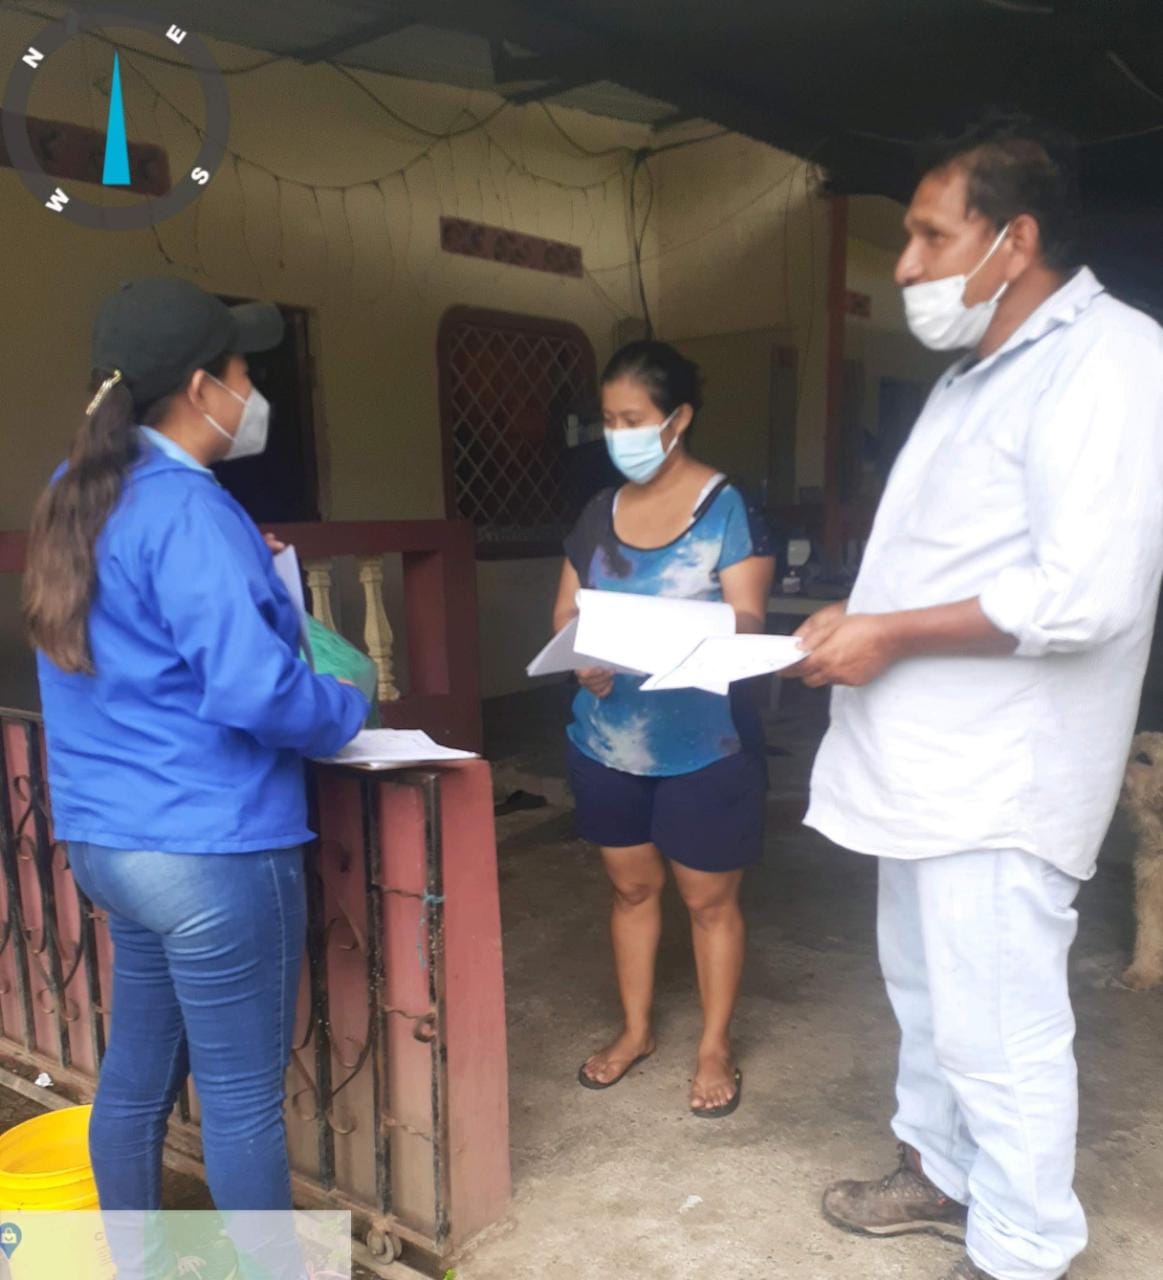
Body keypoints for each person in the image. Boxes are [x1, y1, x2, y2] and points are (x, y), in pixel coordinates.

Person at [792, 117, 1163, 1280]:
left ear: (1015, 239)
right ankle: (941, 1173)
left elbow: (1082, 592)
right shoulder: (974, 378)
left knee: (999, 1024)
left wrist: (889, 630)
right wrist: (851, 614)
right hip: (924, 765)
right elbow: (945, 555)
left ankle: (1020, 1247)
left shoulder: (1110, 359)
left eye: (927, 235)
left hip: (1001, 776)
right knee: (927, 997)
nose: (904, 263)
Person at [23, 278, 369, 1278]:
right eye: (244, 371)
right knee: (242, 1100)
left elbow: (145, 634)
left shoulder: (75, 490)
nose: (252, 391)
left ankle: (137, 1264)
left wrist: (246, 572)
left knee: (135, 1077)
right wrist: (349, 707)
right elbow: (255, 689)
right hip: (211, 846)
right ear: (200, 387)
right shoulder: (188, 509)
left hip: (111, 841)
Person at [554, 341, 775, 1117]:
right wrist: (583, 659)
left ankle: (713, 1045)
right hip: (607, 741)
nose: (618, 434)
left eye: (633, 419)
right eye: (608, 419)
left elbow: (747, 619)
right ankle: (636, 1029)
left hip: (703, 743)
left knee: (708, 900)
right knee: (630, 888)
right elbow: (567, 613)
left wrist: (673, 637)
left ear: (676, 419)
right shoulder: (597, 513)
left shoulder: (726, 508)